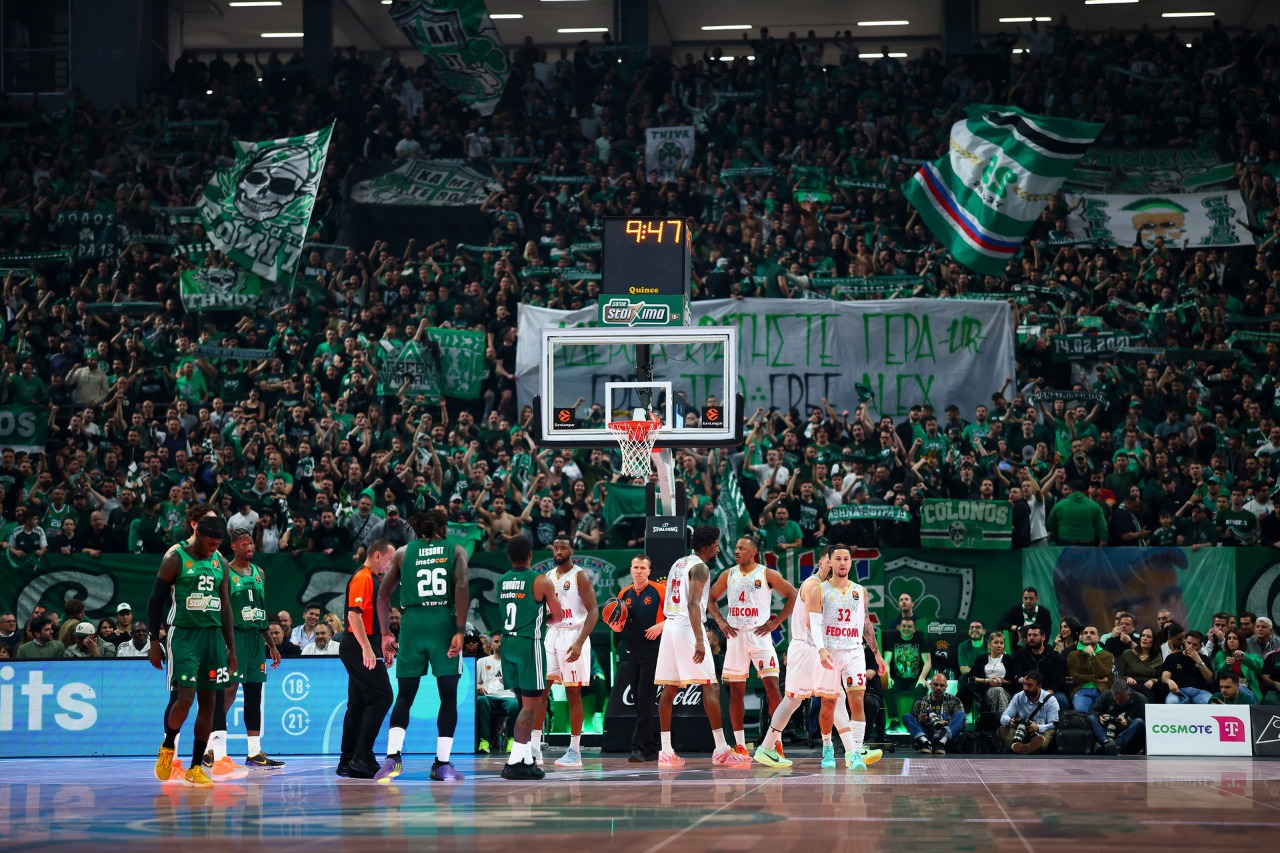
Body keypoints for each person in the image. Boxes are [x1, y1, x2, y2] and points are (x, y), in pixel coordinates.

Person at [376, 509, 470, 782]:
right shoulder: (456, 550)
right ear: (444, 529)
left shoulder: (403, 553)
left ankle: (392, 758)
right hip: (443, 622)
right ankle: (442, 764)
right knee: (448, 695)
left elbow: (383, 596)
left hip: (412, 624)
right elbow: (462, 588)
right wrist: (460, 631)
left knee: (405, 695)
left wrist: (385, 633)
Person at [149, 515, 237, 788]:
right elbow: (155, 601)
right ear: (197, 533)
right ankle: (168, 746)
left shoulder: (221, 563)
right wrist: (154, 641)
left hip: (213, 637)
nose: (213, 548)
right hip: (184, 635)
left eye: (218, 544)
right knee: (185, 698)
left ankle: (196, 767)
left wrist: (231, 648)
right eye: (210, 543)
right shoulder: (175, 558)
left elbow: (225, 607)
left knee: (209, 702)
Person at [653, 524, 748, 768]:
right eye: (715, 546)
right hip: (687, 627)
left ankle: (666, 751)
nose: (718, 550)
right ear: (706, 547)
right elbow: (693, 604)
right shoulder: (701, 568)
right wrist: (699, 639)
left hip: (670, 626)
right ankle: (721, 749)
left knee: (669, 687)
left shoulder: (679, 563)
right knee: (711, 686)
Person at [708, 536, 798, 757]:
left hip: (760, 636)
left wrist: (775, 622)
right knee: (736, 692)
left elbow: (793, 596)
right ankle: (740, 745)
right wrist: (720, 622)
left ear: (753, 552)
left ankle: (775, 741)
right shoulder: (728, 574)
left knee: (773, 689)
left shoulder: (767, 574)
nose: (736, 551)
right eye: (736, 547)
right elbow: (710, 598)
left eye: (742, 548)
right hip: (736, 636)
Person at [754, 545, 835, 768]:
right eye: (830, 561)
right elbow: (812, 622)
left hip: (813, 648)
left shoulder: (824, 587)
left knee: (831, 697)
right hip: (807, 648)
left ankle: (853, 747)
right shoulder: (813, 585)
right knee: (793, 700)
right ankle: (766, 747)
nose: (834, 566)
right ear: (821, 562)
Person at [808, 543, 883, 770]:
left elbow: (866, 624)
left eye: (846, 559)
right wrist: (821, 650)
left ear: (851, 563)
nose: (842, 562)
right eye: (838, 559)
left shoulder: (860, 591)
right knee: (828, 705)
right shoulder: (819, 590)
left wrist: (877, 654)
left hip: (853, 651)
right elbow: (814, 624)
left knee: (857, 701)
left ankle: (856, 753)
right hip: (830, 652)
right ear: (830, 562)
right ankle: (827, 746)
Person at [498, 535, 563, 781]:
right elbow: (557, 616)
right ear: (530, 556)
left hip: (507, 644)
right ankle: (514, 763)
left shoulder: (502, 581)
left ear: (508, 557)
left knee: (522, 702)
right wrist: (539, 620)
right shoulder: (540, 580)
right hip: (528, 644)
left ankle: (526, 760)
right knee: (531, 707)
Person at [218, 529, 284, 769]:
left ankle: (254, 752)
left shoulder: (260, 573)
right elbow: (221, 610)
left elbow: (261, 611)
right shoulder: (225, 572)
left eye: (252, 543)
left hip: (256, 638)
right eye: (244, 544)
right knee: (228, 691)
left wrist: (271, 644)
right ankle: (211, 748)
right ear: (233, 546)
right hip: (234, 637)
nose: (250, 547)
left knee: (254, 693)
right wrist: (227, 645)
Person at [537, 537, 599, 769]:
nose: (559, 551)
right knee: (540, 692)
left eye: (563, 547)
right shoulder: (548, 576)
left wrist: (580, 642)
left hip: (574, 635)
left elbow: (594, 611)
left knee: (573, 693)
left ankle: (574, 751)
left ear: (572, 550)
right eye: (556, 548)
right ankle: (534, 749)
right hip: (552, 634)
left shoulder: (579, 576)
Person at [337, 539, 396, 779]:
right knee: (383, 696)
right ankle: (362, 757)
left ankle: (348, 760)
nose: (391, 565)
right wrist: (366, 648)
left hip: (363, 645)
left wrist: (381, 646)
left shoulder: (374, 578)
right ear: (378, 555)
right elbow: (354, 616)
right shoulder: (363, 577)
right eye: (390, 559)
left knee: (359, 703)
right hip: (357, 646)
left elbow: (372, 619)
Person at [613, 554, 665, 763]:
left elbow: (677, 616)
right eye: (636, 567)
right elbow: (618, 625)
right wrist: (614, 625)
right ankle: (651, 747)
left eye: (643, 568)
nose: (639, 571)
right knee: (638, 698)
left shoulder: (660, 590)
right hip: (632, 648)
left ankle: (638, 747)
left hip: (653, 648)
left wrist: (661, 626)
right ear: (631, 570)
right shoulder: (623, 593)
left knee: (644, 697)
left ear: (649, 571)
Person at [999, 670, 1059, 755]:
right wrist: (1010, 721)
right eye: (1024, 684)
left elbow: (1054, 724)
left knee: (1051, 732)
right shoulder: (1018, 697)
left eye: (1030, 685)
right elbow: (1004, 716)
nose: (1026, 688)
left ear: (1039, 686)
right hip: (1021, 733)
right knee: (1002, 729)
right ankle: (1025, 748)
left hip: (1040, 733)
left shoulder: (1050, 700)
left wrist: (1037, 727)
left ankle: (1018, 747)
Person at [883, 615, 931, 722]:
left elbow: (928, 662)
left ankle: (911, 719)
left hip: (915, 679)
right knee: (885, 685)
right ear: (899, 627)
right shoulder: (892, 639)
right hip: (897, 679)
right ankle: (894, 720)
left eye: (909, 627)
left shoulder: (921, 640)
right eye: (904, 626)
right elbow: (886, 660)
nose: (906, 629)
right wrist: (888, 676)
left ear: (914, 629)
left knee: (922, 688)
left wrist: (922, 678)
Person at [476, 631, 517, 754]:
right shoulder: (482, 662)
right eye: (496, 641)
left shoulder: (513, 662)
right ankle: (484, 741)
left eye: (502, 642)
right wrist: (478, 685)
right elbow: (475, 682)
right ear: (491, 644)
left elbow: (519, 682)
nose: (499, 644)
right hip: (488, 696)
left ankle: (511, 739)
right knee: (481, 701)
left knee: (515, 705)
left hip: (508, 696)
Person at [905, 672, 966, 754]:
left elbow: (963, 724)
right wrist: (921, 721)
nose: (938, 688)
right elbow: (914, 725)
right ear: (931, 685)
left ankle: (941, 743)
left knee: (961, 714)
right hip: (927, 735)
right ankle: (926, 743)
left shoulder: (954, 700)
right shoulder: (920, 702)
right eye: (936, 685)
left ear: (946, 687)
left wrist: (945, 722)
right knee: (907, 717)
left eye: (942, 685)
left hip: (946, 735)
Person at [1087, 679, 1146, 755]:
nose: (1117, 702)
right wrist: (1099, 716)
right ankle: (1106, 742)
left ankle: (1113, 746)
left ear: (1129, 694)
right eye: (1115, 699)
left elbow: (1144, 724)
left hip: (1126, 734)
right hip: (1106, 731)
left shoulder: (1141, 700)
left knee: (1139, 722)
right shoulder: (1107, 694)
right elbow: (1091, 710)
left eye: (1121, 700)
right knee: (1092, 717)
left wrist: (1127, 722)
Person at [1066, 626, 1115, 712]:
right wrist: (1096, 678)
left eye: (1092, 633)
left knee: (1103, 714)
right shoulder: (1073, 655)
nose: (1088, 635)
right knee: (1080, 713)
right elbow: (1073, 678)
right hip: (1081, 689)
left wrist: (1092, 655)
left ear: (1098, 638)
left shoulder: (1108, 655)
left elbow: (1102, 673)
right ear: (1082, 637)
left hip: (1102, 690)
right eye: (1085, 633)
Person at [1047, 479, 1108, 545]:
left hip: (1065, 541)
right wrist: (1103, 540)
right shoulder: (1095, 506)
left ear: (1070, 490)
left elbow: (1050, 523)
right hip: (1087, 542)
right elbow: (1102, 525)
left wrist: (1054, 533)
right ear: (1084, 491)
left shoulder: (1059, 505)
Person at [1162, 630, 1216, 704]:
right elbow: (1164, 676)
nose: (1190, 647)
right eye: (1189, 643)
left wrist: (1199, 661)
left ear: (1200, 647)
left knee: (1211, 703)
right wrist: (1169, 681)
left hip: (1200, 692)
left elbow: (1210, 680)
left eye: (1195, 645)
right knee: (1172, 702)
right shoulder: (1173, 657)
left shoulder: (1204, 659)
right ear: (1184, 641)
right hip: (1179, 691)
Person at [967, 631, 1015, 714]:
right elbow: (971, 678)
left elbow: (1014, 681)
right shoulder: (981, 659)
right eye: (996, 642)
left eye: (1001, 643)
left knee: (999, 691)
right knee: (998, 692)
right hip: (986, 692)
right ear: (989, 645)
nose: (999, 645)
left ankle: (998, 718)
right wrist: (987, 681)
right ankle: (1003, 719)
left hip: (1005, 691)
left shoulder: (1009, 659)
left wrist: (1004, 681)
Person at [1011, 624, 1066, 696]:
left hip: (1049, 690)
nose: (1031, 638)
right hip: (1027, 689)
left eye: (1035, 635)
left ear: (1043, 637)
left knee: (1061, 700)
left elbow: (1057, 678)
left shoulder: (1054, 655)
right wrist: (1023, 680)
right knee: (1015, 697)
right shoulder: (1021, 654)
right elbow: (1016, 673)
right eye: (1029, 635)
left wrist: (1048, 693)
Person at [1214, 629, 1264, 702]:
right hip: (1227, 691)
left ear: (1241, 641)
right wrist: (1226, 664)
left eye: (1235, 638)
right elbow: (1218, 672)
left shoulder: (1249, 656)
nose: (1231, 641)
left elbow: (1259, 668)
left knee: (1241, 689)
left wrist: (1245, 658)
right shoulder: (1221, 655)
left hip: (1248, 691)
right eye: (1229, 638)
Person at [1117, 627, 1163, 701]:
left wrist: (1153, 681)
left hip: (1148, 689)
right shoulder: (1127, 654)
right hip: (1130, 688)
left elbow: (1159, 678)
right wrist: (1127, 678)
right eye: (1143, 635)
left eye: (1148, 636)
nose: (1144, 638)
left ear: (1154, 641)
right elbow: (1120, 676)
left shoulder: (1157, 657)